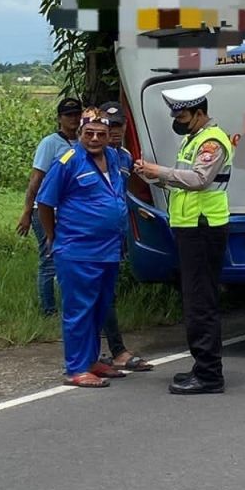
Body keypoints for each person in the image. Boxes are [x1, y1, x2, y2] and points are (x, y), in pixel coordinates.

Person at [134, 83, 234, 395]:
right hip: (191, 228)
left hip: (203, 229)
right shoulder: (193, 140)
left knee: (200, 301)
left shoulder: (211, 142)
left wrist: (159, 170)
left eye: (183, 115)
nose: (177, 120)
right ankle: (202, 367)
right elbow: (184, 185)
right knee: (195, 299)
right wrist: (154, 178)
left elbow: (200, 180)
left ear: (200, 113)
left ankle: (208, 374)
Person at [35, 109, 130, 388]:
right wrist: (53, 238)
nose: (95, 139)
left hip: (109, 250)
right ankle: (76, 367)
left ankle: (91, 360)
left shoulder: (114, 157)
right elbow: (45, 203)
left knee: (100, 308)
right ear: (80, 134)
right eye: (89, 134)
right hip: (78, 250)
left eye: (101, 134)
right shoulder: (68, 161)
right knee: (79, 309)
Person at [97, 100, 154, 372]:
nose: (114, 131)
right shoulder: (89, 156)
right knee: (98, 295)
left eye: (118, 125)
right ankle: (113, 351)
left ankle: (104, 352)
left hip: (115, 235)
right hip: (90, 237)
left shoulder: (124, 158)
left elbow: (125, 194)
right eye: (109, 126)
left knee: (107, 294)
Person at [16, 96, 82, 316]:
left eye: (76, 114)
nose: (73, 119)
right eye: (68, 115)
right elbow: (36, 178)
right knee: (49, 258)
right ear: (59, 118)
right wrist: (27, 211)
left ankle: (71, 306)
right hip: (45, 209)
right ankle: (48, 310)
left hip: (71, 210)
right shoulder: (51, 143)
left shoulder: (84, 142)